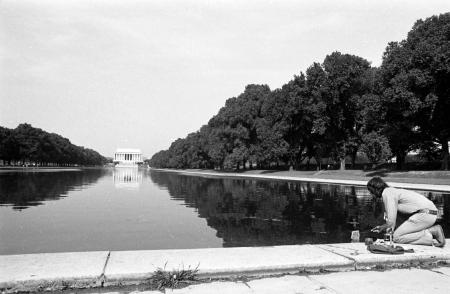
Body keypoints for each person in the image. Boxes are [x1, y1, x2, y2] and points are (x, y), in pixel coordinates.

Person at [367, 177, 445, 247]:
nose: (371, 194)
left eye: (370, 191)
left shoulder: (387, 194)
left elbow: (391, 221)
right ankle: (431, 232)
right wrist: (384, 227)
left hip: (424, 214)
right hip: (430, 213)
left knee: (397, 237)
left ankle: (431, 232)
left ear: (375, 190)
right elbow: (394, 218)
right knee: (398, 232)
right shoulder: (391, 191)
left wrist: (388, 237)